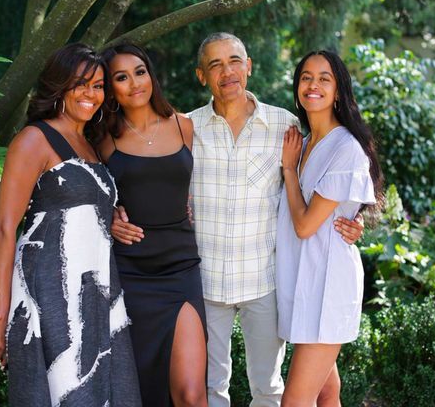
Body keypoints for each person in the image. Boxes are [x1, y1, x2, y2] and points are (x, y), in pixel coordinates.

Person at [112, 33, 364, 407]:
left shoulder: (287, 127)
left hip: (263, 281)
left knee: (268, 388)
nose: (226, 71)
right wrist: (113, 211)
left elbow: (331, 172)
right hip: (204, 281)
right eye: (214, 65)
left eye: (234, 61)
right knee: (212, 389)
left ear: (249, 67)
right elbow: (149, 176)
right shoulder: (186, 128)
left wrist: (355, 217)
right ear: (201, 76)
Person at [0, 43, 141, 406]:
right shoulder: (33, 140)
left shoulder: (90, 145)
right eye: (81, 84)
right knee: (67, 391)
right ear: (59, 86)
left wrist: (113, 219)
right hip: (50, 290)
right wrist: (1, 316)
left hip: (96, 288)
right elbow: (4, 228)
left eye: (99, 85)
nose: (91, 94)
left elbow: (85, 212)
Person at [97, 43, 207, 407]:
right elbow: (85, 193)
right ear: (111, 88)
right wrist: (108, 217)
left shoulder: (184, 125)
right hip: (131, 272)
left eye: (140, 71)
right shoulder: (103, 139)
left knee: (192, 394)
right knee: (143, 391)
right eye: (121, 77)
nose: (134, 83)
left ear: (151, 75)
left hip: (181, 268)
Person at [276, 50, 384, 407]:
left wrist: (289, 171)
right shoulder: (304, 144)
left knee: (294, 401)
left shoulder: (345, 148)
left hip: (327, 285)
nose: (313, 85)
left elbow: (306, 225)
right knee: (325, 391)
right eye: (306, 77)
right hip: (303, 280)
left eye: (325, 78)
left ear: (338, 91)